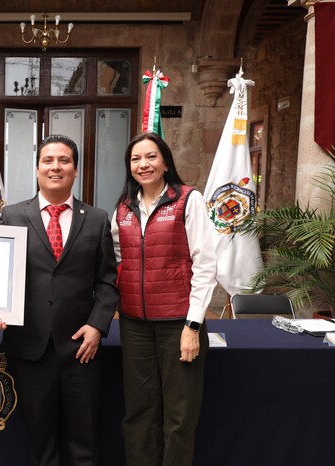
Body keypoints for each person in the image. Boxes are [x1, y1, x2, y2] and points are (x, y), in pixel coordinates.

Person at [0, 134, 119, 466]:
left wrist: (97, 327)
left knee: (84, 443)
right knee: (41, 445)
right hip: (31, 347)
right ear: (37, 168)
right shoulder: (12, 216)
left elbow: (107, 281)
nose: (55, 167)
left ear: (75, 170)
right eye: (48, 161)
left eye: (64, 161)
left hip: (81, 347)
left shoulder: (98, 218)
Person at [111, 132, 217, 466]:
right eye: (135, 159)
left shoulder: (189, 200)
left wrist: (193, 324)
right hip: (135, 325)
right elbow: (117, 258)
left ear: (166, 161)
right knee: (139, 414)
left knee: (179, 417)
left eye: (151, 157)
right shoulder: (123, 209)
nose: (143, 164)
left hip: (178, 324)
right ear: (129, 167)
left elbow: (205, 264)